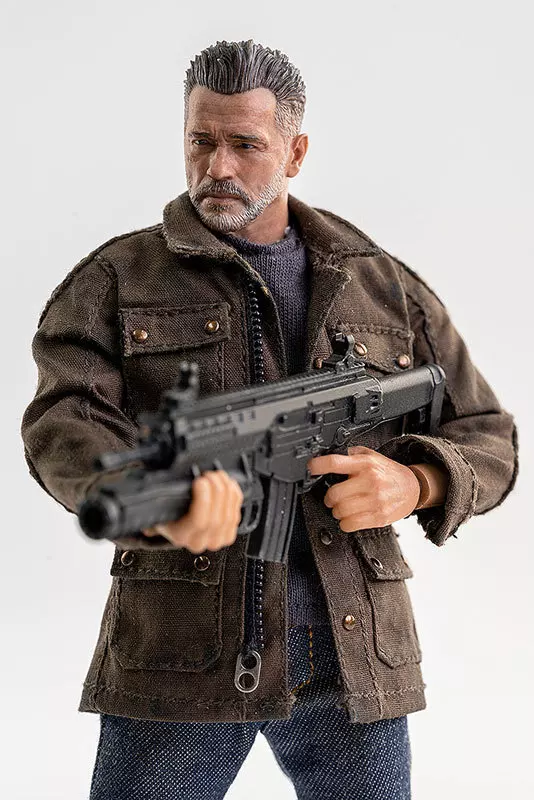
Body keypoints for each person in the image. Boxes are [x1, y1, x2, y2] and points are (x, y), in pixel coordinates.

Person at [20, 40, 518, 800]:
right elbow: (65, 420)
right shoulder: (118, 279)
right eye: (200, 140)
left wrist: (418, 481)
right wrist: (150, 498)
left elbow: (488, 434)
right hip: (183, 649)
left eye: (245, 145)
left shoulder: (378, 281)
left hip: (352, 651)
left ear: (296, 151)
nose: (217, 167)